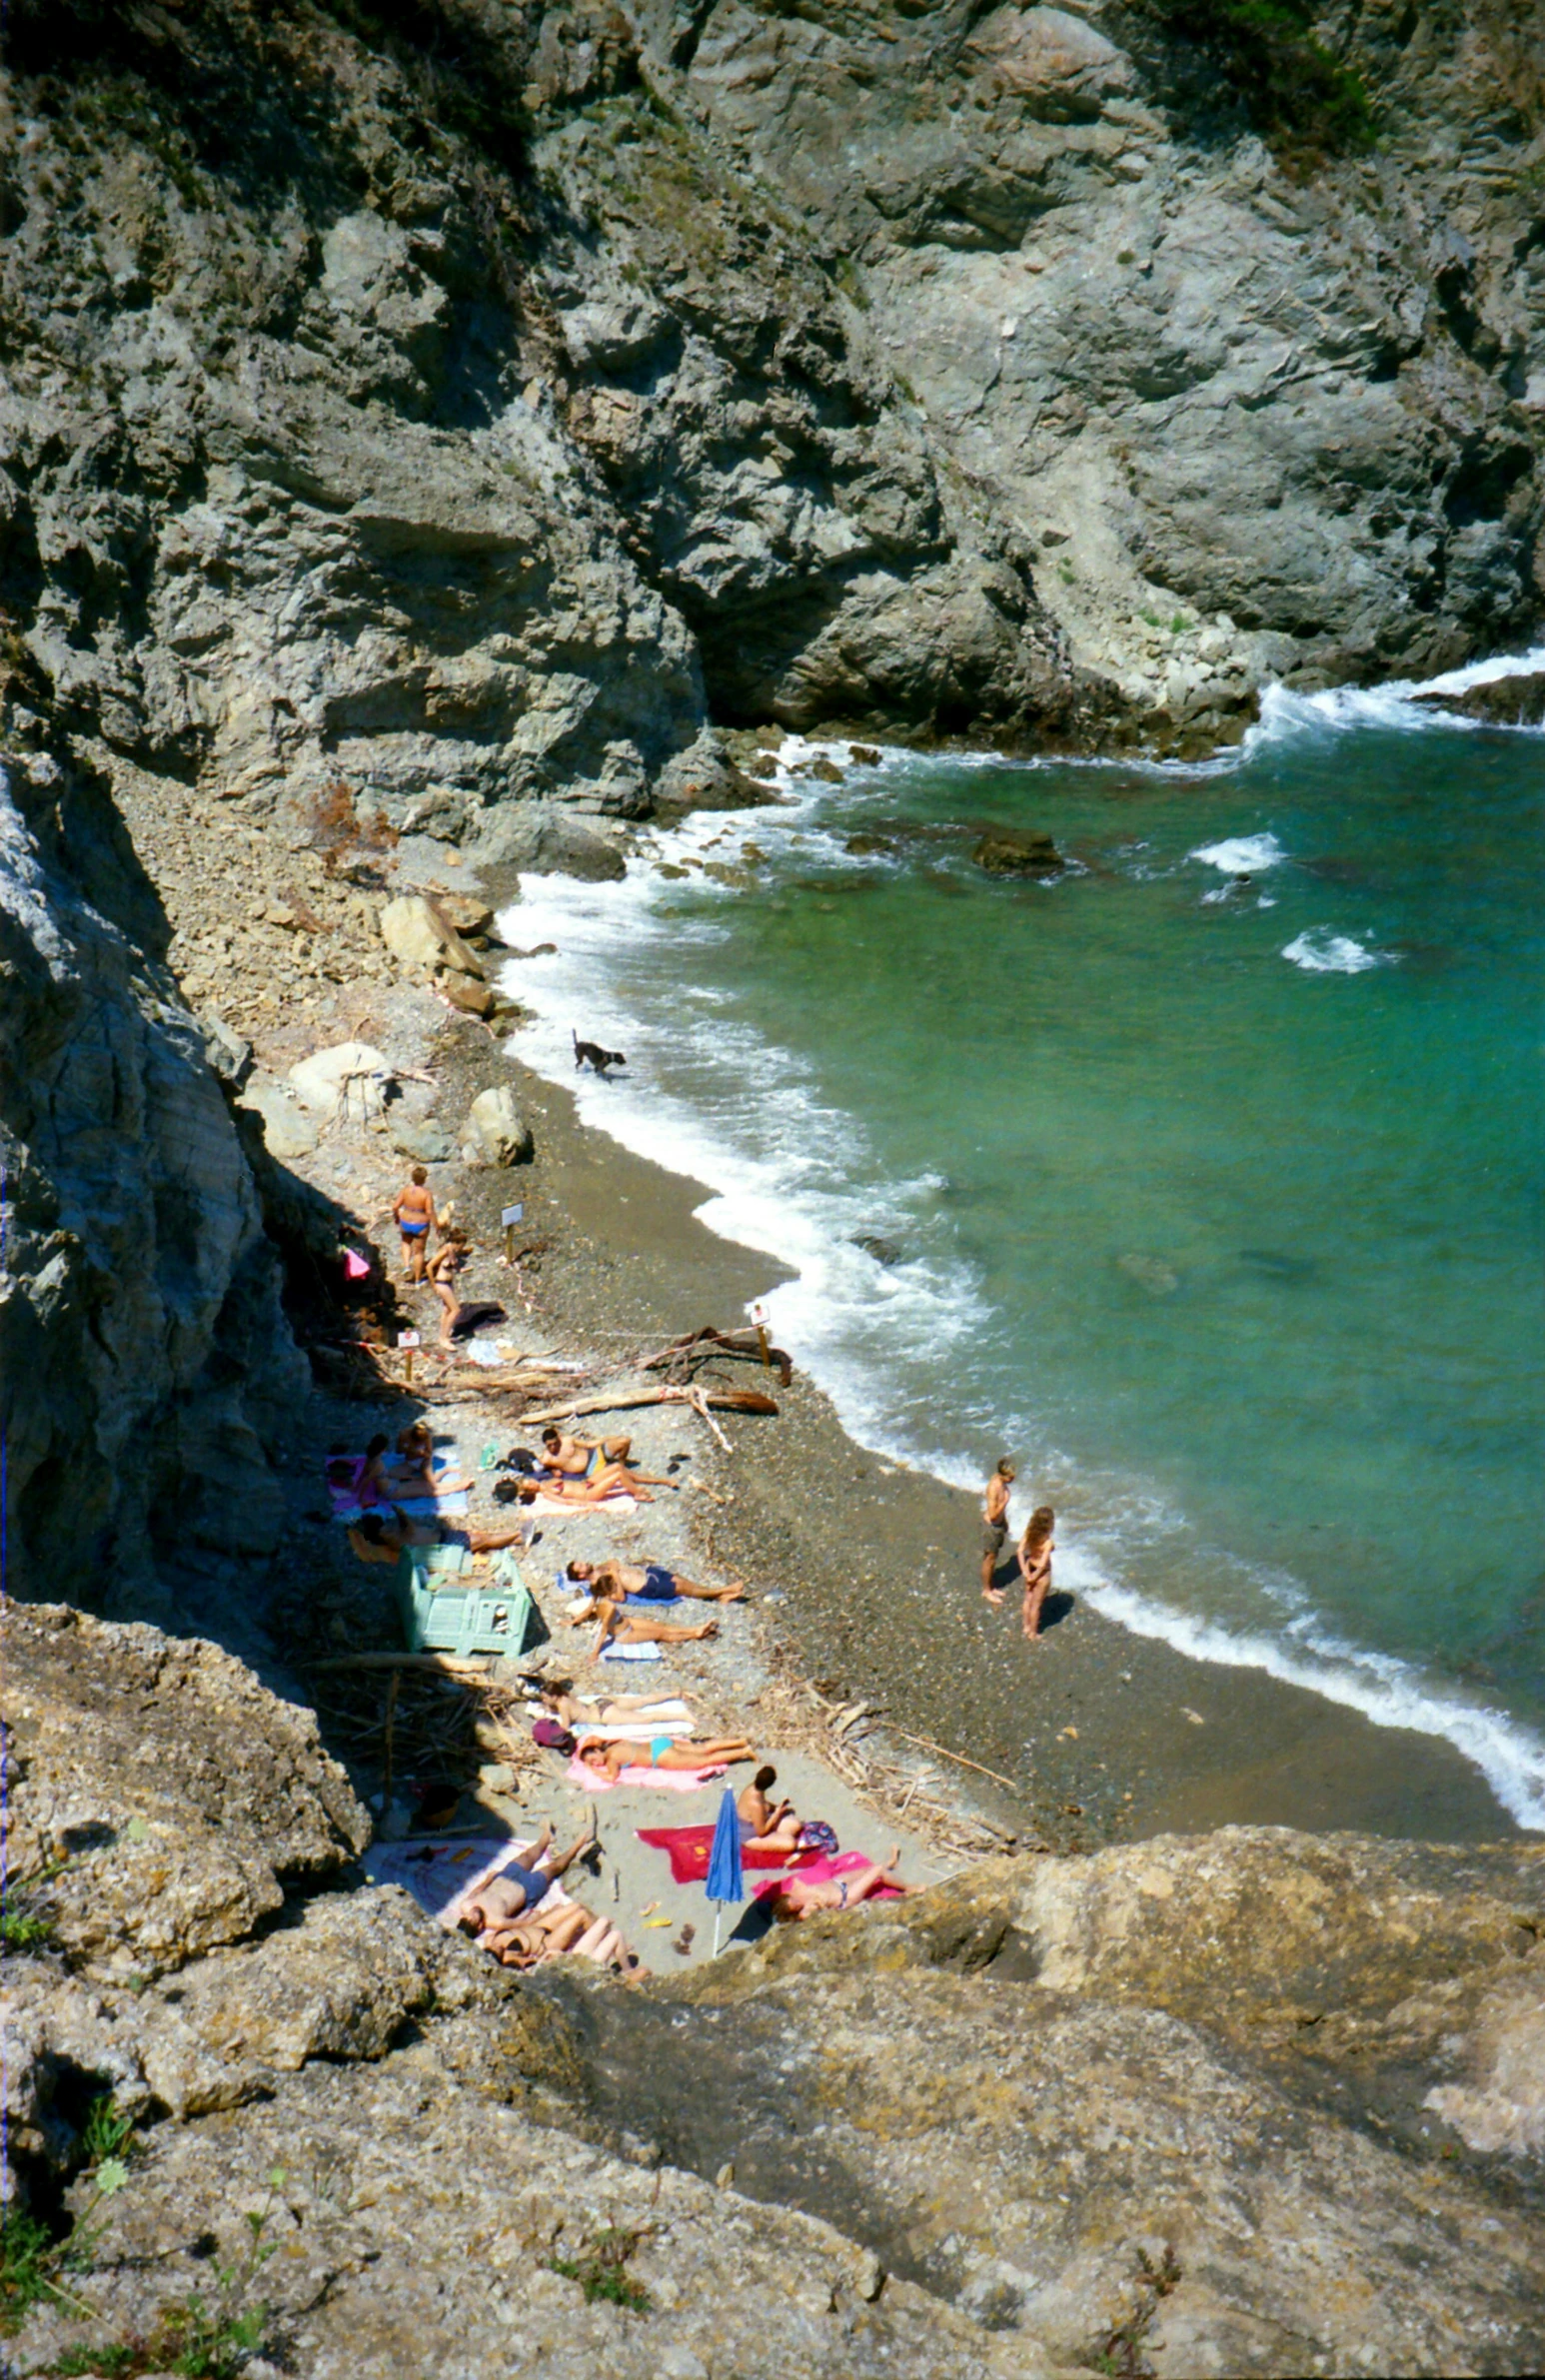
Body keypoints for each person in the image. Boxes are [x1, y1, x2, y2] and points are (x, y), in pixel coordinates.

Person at [764, 1848, 917, 1922]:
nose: (797, 1903)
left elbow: (794, 1882)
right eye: (795, 1907)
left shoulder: (796, 1892)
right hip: (846, 1896)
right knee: (877, 1873)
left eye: (793, 1901)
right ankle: (909, 1888)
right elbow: (819, 1912)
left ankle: (890, 1863)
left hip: (838, 1883)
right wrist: (816, 1906)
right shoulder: (805, 1911)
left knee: (866, 1870)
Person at [347, 1506, 535, 1564]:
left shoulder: (390, 1537)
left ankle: (518, 1540)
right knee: (483, 1540)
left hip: (443, 1537)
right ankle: (520, 1534)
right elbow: (409, 1526)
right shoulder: (396, 1538)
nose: (387, 1526)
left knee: (480, 1538)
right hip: (446, 1544)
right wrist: (399, 1511)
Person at [539, 1427, 674, 1500]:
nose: (553, 1447)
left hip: (595, 1453)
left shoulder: (567, 1440)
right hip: (592, 1469)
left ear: (559, 1437)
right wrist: (553, 1471)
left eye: (555, 1443)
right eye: (549, 1445)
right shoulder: (547, 1458)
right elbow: (543, 1473)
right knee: (620, 1471)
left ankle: (622, 1462)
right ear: (545, 1445)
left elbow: (588, 1444)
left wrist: (608, 1438)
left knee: (625, 1440)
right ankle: (660, 1481)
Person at [576, 1732, 754, 1784]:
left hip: (659, 1756)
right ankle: (739, 1741)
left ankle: (744, 1752)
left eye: (593, 1759)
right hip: (659, 1743)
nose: (596, 1763)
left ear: (598, 1751)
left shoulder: (611, 1759)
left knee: (704, 1761)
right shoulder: (614, 1743)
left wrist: (592, 1770)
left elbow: (611, 1777)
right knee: (702, 1748)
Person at [576, 1598, 721, 1660]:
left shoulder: (599, 1600)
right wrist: (595, 1653)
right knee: (661, 1634)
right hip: (625, 1634)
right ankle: (695, 1634)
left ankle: (695, 1629)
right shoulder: (607, 1613)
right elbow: (602, 1634)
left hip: (628, 1622)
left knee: (662, 1626)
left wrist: (571, 1622)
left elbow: (586, 1611)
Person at [565, 1558, 746, 1605]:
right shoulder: (597, 1585)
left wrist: (612, 1570)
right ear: (581, 1576)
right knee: (682, 1588)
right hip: (646, 1586)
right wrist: (616, 1575)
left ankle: (718, 1595)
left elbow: (614, 1562)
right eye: (580, 1566)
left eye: (580, 1562)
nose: (583, 1563)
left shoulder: (600, 1568)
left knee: (683, 1582)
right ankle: (724, 1590)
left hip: (648, 1573)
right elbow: (619, 1598)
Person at [737, 1765, 804, 1854]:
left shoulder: (753, 1788)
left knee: (796, 1825)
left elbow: (764, 1803)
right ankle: (780, 1836)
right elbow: (761, 1832)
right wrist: (776, 1814)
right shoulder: (756, 1804)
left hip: (760, 1821)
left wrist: (776, 1808)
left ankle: (779, 1836)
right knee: (790, 1844)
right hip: (750, 1836)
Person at [393, 1166, 438, 1282]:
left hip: (406, 1220)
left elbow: (395, 1206)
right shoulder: (426, 1194)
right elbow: (429, 1211)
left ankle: (406, 1266)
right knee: (419, 1252)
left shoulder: (405, 1190)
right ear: (424, 1179)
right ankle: (417, 1280)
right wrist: (436, 1224)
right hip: (420, 1223)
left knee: (405, 1242)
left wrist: (396, 1217)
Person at [426, 1231, 470, 1349]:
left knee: (447, 1310)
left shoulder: (452, 1252)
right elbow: (429, 1266)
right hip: (442, 1283)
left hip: (448, 1283)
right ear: (457, 1243)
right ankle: (444, 1338)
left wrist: (463, 1270)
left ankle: (443, 1335)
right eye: (462, 1245)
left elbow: (454, 1266)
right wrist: (433, 1284)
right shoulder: (445, 1251)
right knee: (456, 1310)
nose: (462, 1248)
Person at [1017, 1504, 1055, 1641]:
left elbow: (1020, 1551)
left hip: (1030, 1566)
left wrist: (1025, 1571)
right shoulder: (1047, 1542)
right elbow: (1043, 1563)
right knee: (1037, 1605)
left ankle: (1026, 1626)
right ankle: (1033, 1632)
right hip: (1042, 1574)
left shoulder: (1029, 1534)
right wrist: (1035, 1576)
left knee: (1028, 1599)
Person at [981, 1456, 1015, 1605]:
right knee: (989, 1559)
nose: (1013, 1480)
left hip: (999, 1525)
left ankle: (991, 1586)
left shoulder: (1001, 1482)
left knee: (993, 1558)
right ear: (1003, 1475)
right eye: (1010, 1477)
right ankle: (986, 1590)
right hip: (992, 1527)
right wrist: (1005, 1501)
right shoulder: (993, 1487)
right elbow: (993, 1514)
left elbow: (999, 1514)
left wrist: (1005, 1522)